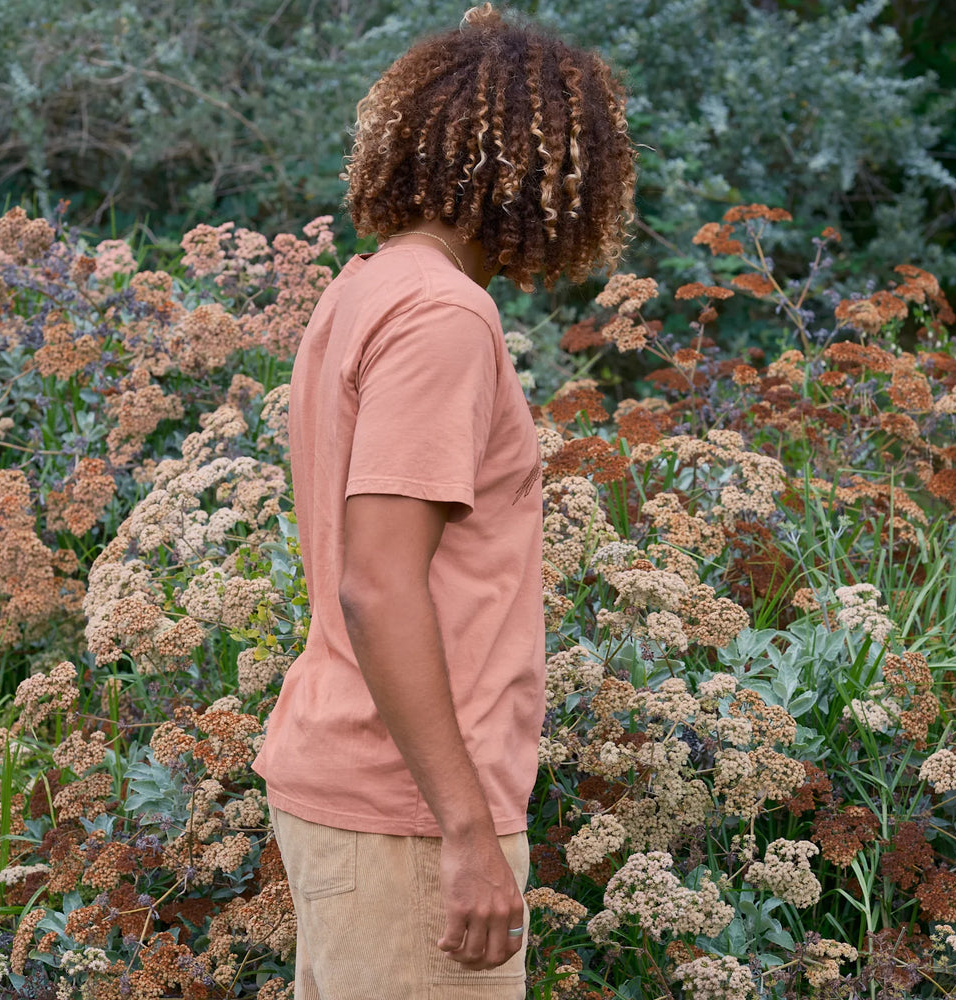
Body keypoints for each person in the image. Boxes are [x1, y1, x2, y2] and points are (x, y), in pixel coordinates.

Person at [251, 5, 636, 997]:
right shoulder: (441, 315)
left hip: (367, 794)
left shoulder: (368, 286)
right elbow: (377, 585)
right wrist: (464, 830)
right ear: (537, 169)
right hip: (407, 818)